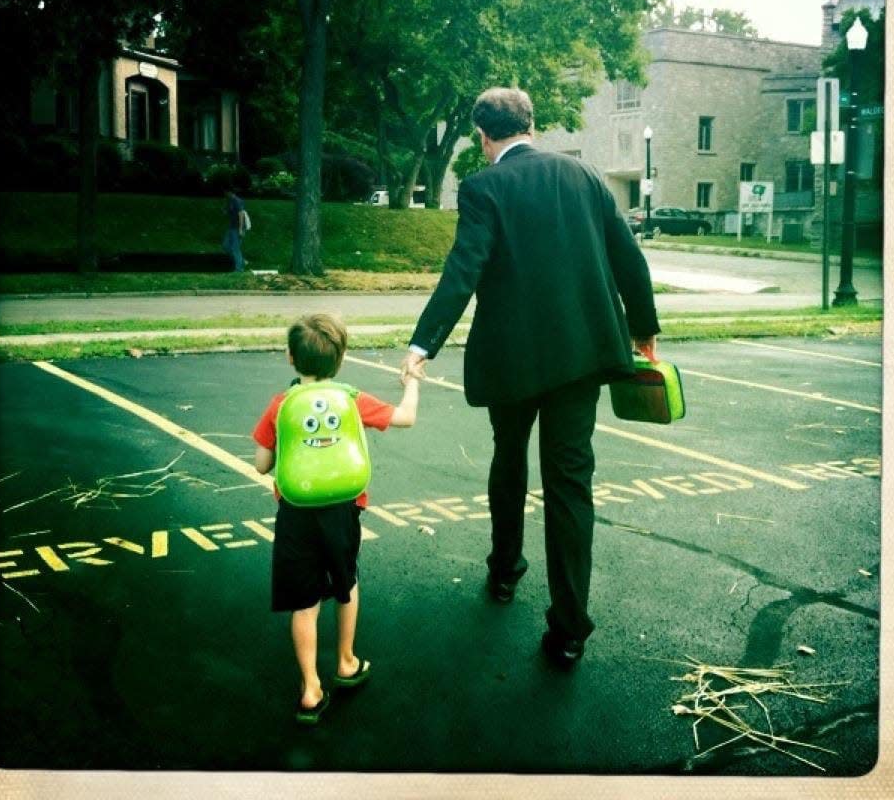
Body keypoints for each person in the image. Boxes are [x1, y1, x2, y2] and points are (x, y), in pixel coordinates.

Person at [402, 87, 659, 670]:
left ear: (484, 136)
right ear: (532, 125)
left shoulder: (484, 187)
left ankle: (503, 571)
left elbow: (463, 268)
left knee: (509, 460)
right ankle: (570, 628)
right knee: (570, 484)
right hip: (582, 357)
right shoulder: (586, 176)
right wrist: (643, 328)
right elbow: (629, 258)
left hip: (513, 360)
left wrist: (424, 343)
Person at [253, 313, 421, 723]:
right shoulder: (351, 399)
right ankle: (346, 661)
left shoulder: (281, 405)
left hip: (296, 515)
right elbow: (405, 417)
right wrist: (412, 382)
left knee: (305, 604)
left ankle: (310, 689)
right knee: (346, 584)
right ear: (340, 359)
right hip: (344, 512)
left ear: (291, 358)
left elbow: (261, 464)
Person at [222, 189, 247, 271]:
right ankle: (242, 261)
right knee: (226, 246)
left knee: (235, 248)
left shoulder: (237, 201)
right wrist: (225, 211)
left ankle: (239, 269)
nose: (225, 194)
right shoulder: (231, 201)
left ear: (230, 192)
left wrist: (241, 229)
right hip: (231, 227)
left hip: (237, 228)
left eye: (226, 192)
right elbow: (229, 212)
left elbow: (241, 215)